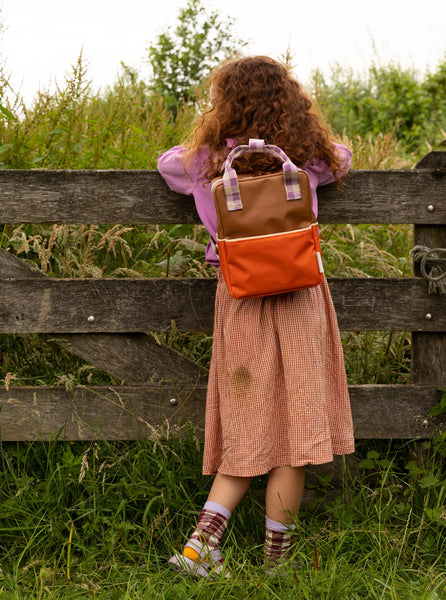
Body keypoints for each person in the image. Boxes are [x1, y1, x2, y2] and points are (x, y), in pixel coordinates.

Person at [157, 55, 355, 578]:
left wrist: (224, 144)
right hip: (299, 295)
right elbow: (344, 155)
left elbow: (166, 164)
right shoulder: (306, 157)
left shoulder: (202, 163)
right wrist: (287, 141)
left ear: (224, 102)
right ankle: (276, 567)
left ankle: (200, 551)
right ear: (290, 100)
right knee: (296, 429)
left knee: (246, 421)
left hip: (241, 294)